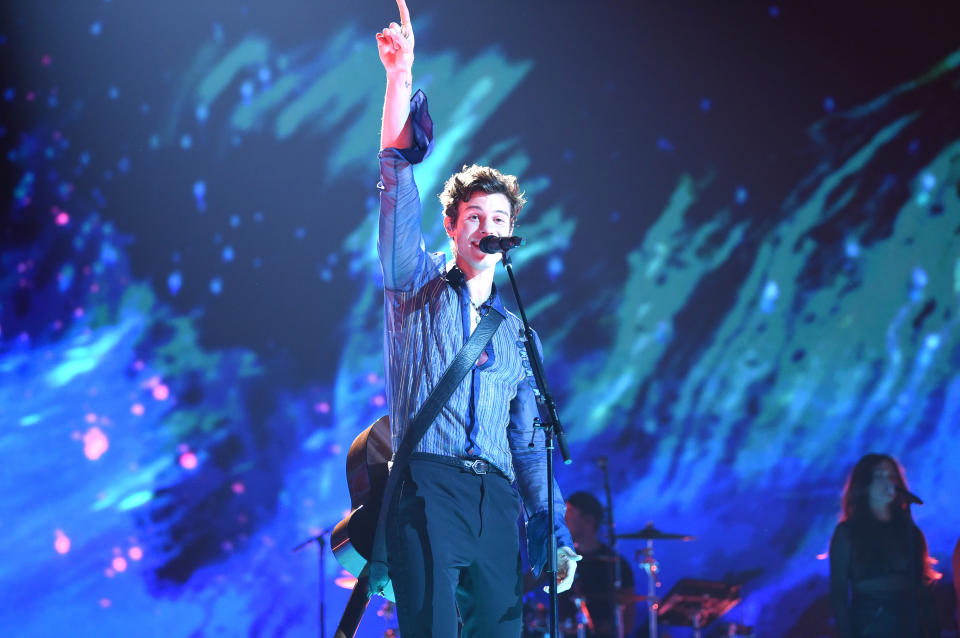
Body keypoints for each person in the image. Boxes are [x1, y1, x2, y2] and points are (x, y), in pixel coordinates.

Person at [374, 2, 580, 635]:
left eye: (498, 220)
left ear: (511, 233)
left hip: (497, 501)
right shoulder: (415, 281)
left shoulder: (519, 337)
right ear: (453, 226)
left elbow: (530, 446)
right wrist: (400, 80)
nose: (486, 228)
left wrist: (553, 535)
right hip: (427, 488)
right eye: (474, 218)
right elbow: (394, 188)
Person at [829, 453, 939, 638]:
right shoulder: (847, 533)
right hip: (870, 627)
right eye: (879, 475)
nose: (887, 481)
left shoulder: (911, 532)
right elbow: (838, 594)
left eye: (891, 475)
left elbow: (923, 589)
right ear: (865, 483)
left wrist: (935, 631)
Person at [560, 491, 636, 638]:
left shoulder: (617, 565)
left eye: (570, 512)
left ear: (588, 520)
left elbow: (627, 620)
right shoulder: (563, 561)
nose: (565, 518)